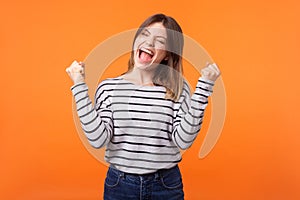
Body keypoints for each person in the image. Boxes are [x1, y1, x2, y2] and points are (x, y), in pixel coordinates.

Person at [66, 13, 220, 200]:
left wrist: (204, 88)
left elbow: (183, 141)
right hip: (120, 185)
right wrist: (79, 85)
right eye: (145, 34)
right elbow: (98, 139)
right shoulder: (109, 87)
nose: (149, 42)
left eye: (159, 40)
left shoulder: (177, 89)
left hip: (165, 185)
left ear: (167, 55)